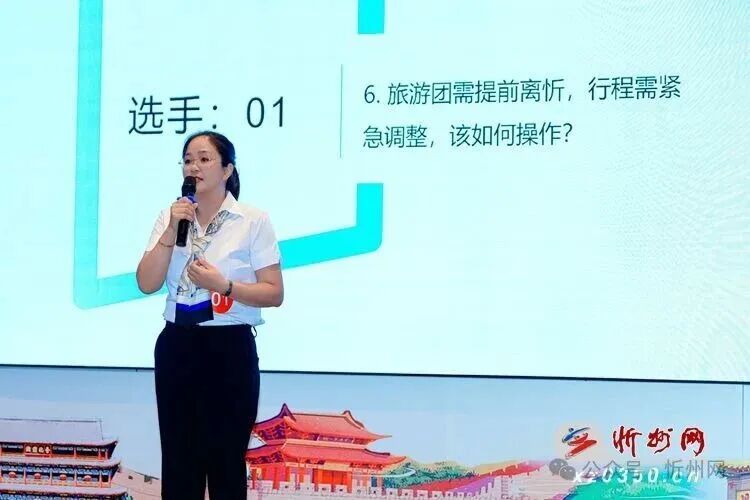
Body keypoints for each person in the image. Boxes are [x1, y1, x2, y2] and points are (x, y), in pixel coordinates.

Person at [136, 131, 283, 499]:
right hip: (178, 345)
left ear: (227, 169)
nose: (194, 167)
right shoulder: (170, 216)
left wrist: (225, 286)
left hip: (228, 348)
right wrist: (171, 229)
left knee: (225, 463)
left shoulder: (252, 220)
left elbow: (274, 292)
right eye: (188, 160)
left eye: (204, 159)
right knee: (179, 462)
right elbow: (147, 282)